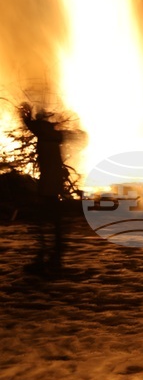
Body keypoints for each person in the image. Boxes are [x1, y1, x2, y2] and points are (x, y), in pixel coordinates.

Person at [18, 103, 68, 277]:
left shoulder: (45, 135)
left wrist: (25, 115)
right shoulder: (52, 135)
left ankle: (47, 253)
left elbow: (32, 127)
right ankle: (55, 252)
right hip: (53, 184)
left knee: (41, 220)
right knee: (54, 221)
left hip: (48, 185)